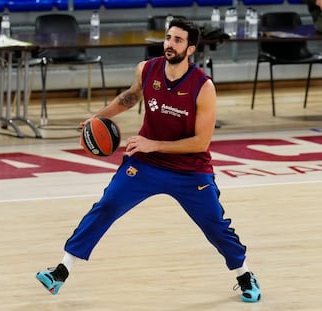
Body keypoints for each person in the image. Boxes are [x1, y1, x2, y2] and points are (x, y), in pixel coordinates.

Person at [36, 17, 262, 303]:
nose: (170, 44)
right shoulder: (148, 69)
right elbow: (130, 97)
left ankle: (244, 274)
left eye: (178, 40)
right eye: (168, 38)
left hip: (190, 171)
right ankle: (60, 271)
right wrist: (99, 117)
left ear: (190, 49)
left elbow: (201, 143)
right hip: (145, 164)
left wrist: (153, 143)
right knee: (106, 206)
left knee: (215, 225)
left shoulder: (203, 87)